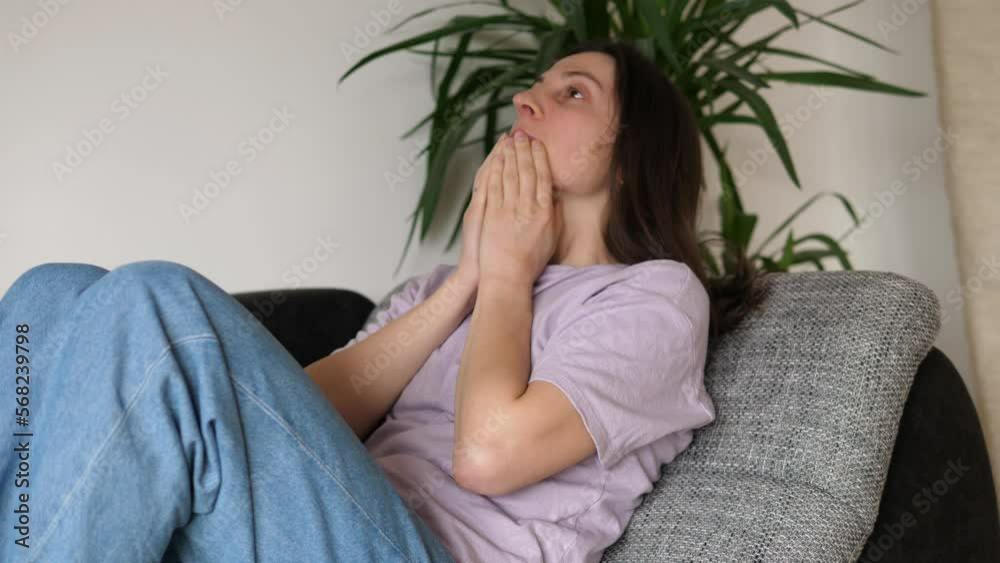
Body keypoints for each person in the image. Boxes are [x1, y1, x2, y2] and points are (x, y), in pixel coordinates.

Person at [0, 38, 764, 562]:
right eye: (535, 86)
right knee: (51, 291)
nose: (527, 99)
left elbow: (488, 452)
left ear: (632, 158)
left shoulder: (655, 297)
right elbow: (297, 413)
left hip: (422, 550)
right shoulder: (443, 287)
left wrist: (506, 276)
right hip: (325, 518)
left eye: (572, 93)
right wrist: (466, 281)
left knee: (157, 300)